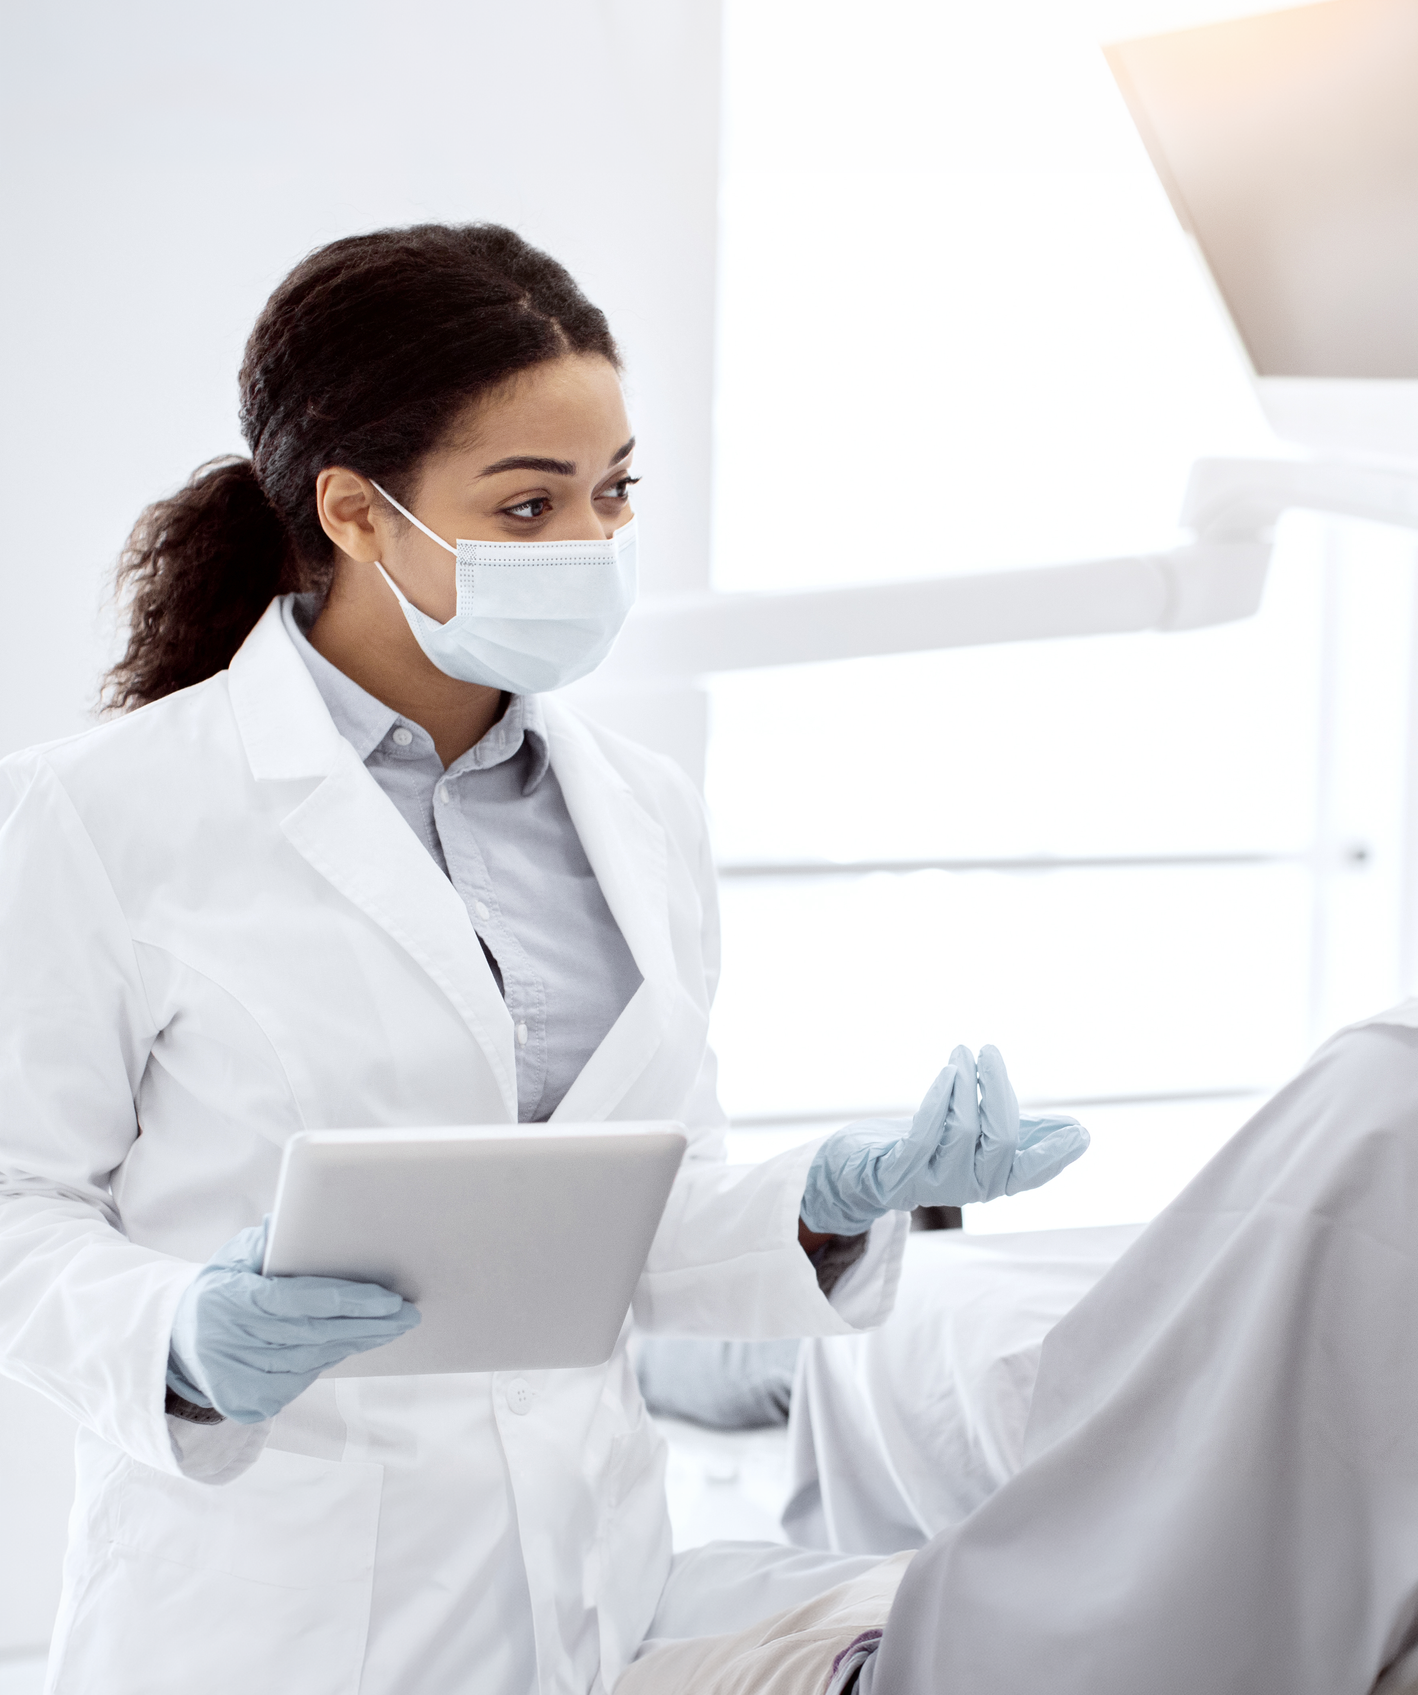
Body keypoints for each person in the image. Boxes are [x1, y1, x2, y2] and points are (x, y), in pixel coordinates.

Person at [615, 333, 1418, 1695]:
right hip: (1169, 1495)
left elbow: (1112, 1634)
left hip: (1012, 1622)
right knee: (892, 1332)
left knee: (619, 1580)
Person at [0, 223, 1087, 1695]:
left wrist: (830, 1203)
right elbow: (15, 1199)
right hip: (262, 1617)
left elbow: (637, 1219)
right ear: (356, 511)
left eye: (614, 491)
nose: (589, 544)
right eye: (527, 506)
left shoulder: (641, 811)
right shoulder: (101, 811)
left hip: (583, 1590)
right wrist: (179, 1336)